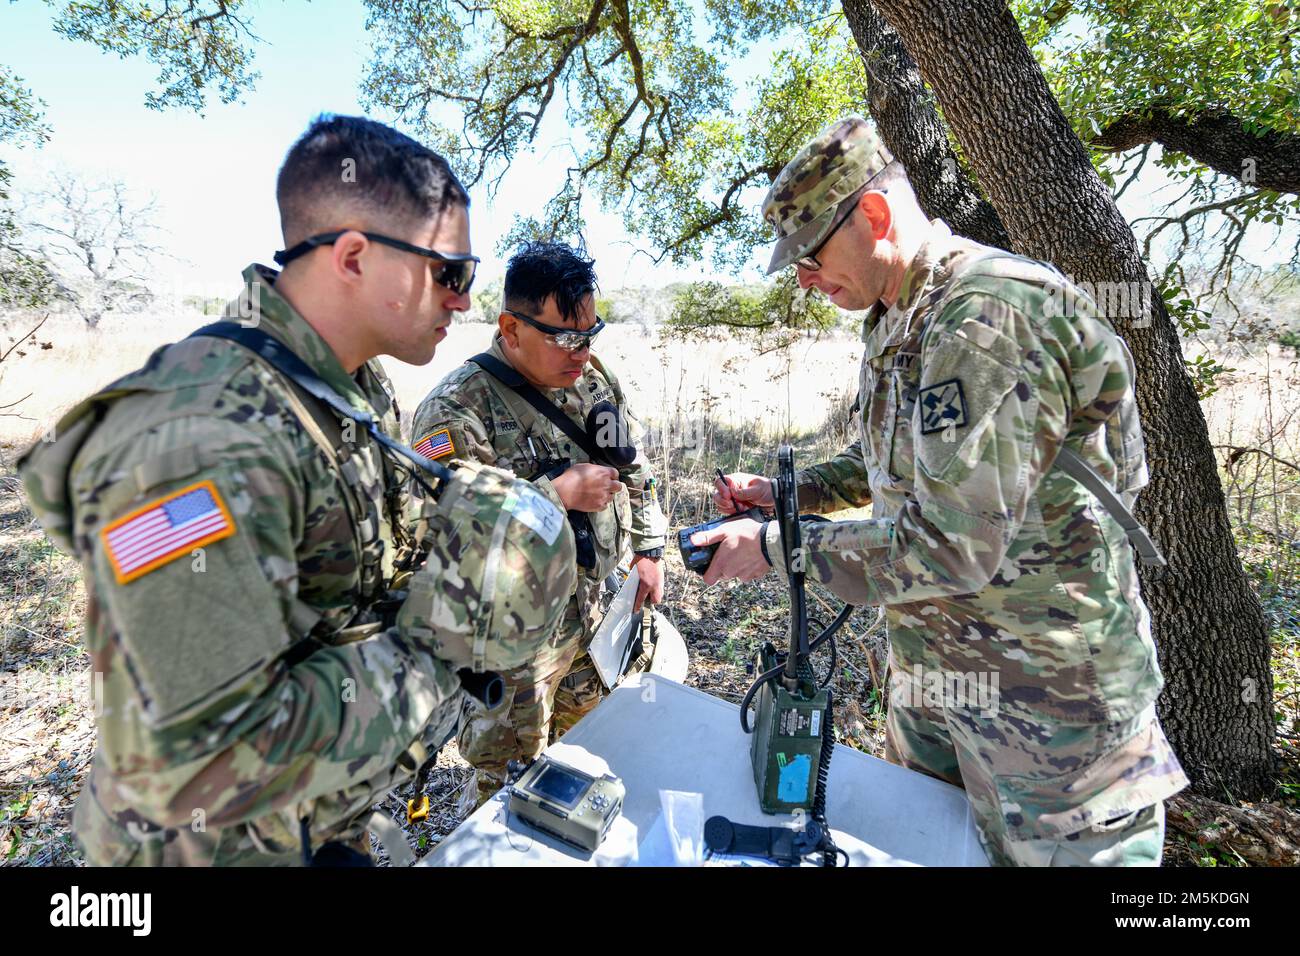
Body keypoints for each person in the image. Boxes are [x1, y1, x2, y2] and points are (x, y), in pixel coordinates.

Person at [17, 115, 575, 866]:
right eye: (451, 274)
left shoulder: (351, 387)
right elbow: (202, 767)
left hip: (313, 828)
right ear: (352, 256)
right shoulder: (198, 436)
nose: (463, 302)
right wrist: (442, 643)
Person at [693, 116, 1188, 866]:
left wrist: (774, 547)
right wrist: (789, 495)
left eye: (811, 254)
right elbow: (905, 460)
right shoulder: (902, 314)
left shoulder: (988, 313)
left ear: (876, 215)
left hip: (1050, 723)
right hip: (940, 691)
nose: (803, 278)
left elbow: (953, 548)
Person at [410, 241, 668, 806]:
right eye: (565, 337)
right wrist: (555, 495)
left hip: (597, 620)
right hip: (513, 651)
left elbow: (634, 462)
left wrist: (650, 549)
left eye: (590, 333)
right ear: (511, 326)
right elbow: (437, 532)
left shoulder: (591, 379)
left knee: (595, 761)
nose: (581, 353)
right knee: (510, 798)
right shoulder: (456, 411)